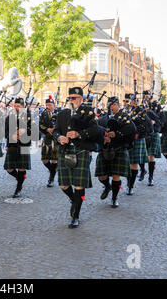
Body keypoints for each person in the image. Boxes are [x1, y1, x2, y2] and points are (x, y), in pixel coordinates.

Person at [52, 87, 100, 228]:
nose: (71, 100)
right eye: (70, 98)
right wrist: (59, 137)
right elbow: (55, 130)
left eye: (75, 98)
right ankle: (74, 200)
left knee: (79, 185)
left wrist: (79, 134)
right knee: (64, 184)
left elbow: (95, 130)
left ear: (81, 99)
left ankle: (75, 216)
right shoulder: (63, 113)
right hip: (65, 151)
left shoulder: (88, 113)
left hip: (81, 150)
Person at [95, 96, 136, 208]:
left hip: (118, 148)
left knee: (115, 175)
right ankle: (107, 186)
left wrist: (116, 135)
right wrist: (104, 138)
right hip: (105, 149)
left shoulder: (124, 117)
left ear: (118, 105)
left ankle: (114, 198)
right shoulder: (103, 118)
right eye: (110, 105)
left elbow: (131, 129)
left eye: (113, 104)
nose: (111, 107)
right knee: (102, 176)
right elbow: (97, 131)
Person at [4, 98, 33, 198]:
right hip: (12, 145)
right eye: (15, 106)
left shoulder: (29, 117)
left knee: (21, 168)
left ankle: (18, 187)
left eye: (18, 106)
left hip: (24, 145)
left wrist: (24, 133)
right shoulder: (9, 117)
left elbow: (34, 132)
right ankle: (19, 179)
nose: (16, 108)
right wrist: (11, 136)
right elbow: (5, 132)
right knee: (9, 168)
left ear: (23, 107)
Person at [125, 98, 152, 196]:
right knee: (127, 164)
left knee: (133, 165)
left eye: (132, 101)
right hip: (127, 140)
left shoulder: (144, 114)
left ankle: (130, 186)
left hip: (138, 140)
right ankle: (129, 183)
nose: (130, 103)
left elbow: (150, 129)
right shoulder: (126, 111)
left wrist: (142, 120)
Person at [39, 97, 59, 187]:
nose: (48, 106)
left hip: (56, 138)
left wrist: (56, 129)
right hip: (47, 137)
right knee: (44, 159)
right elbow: (40, 125)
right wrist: (47, 129)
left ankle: (51, 178)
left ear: (54, 106)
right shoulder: (43, 114)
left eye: (50, 105)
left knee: (54, 159)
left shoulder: (59, 113)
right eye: (47, 105)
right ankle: (53, 170)